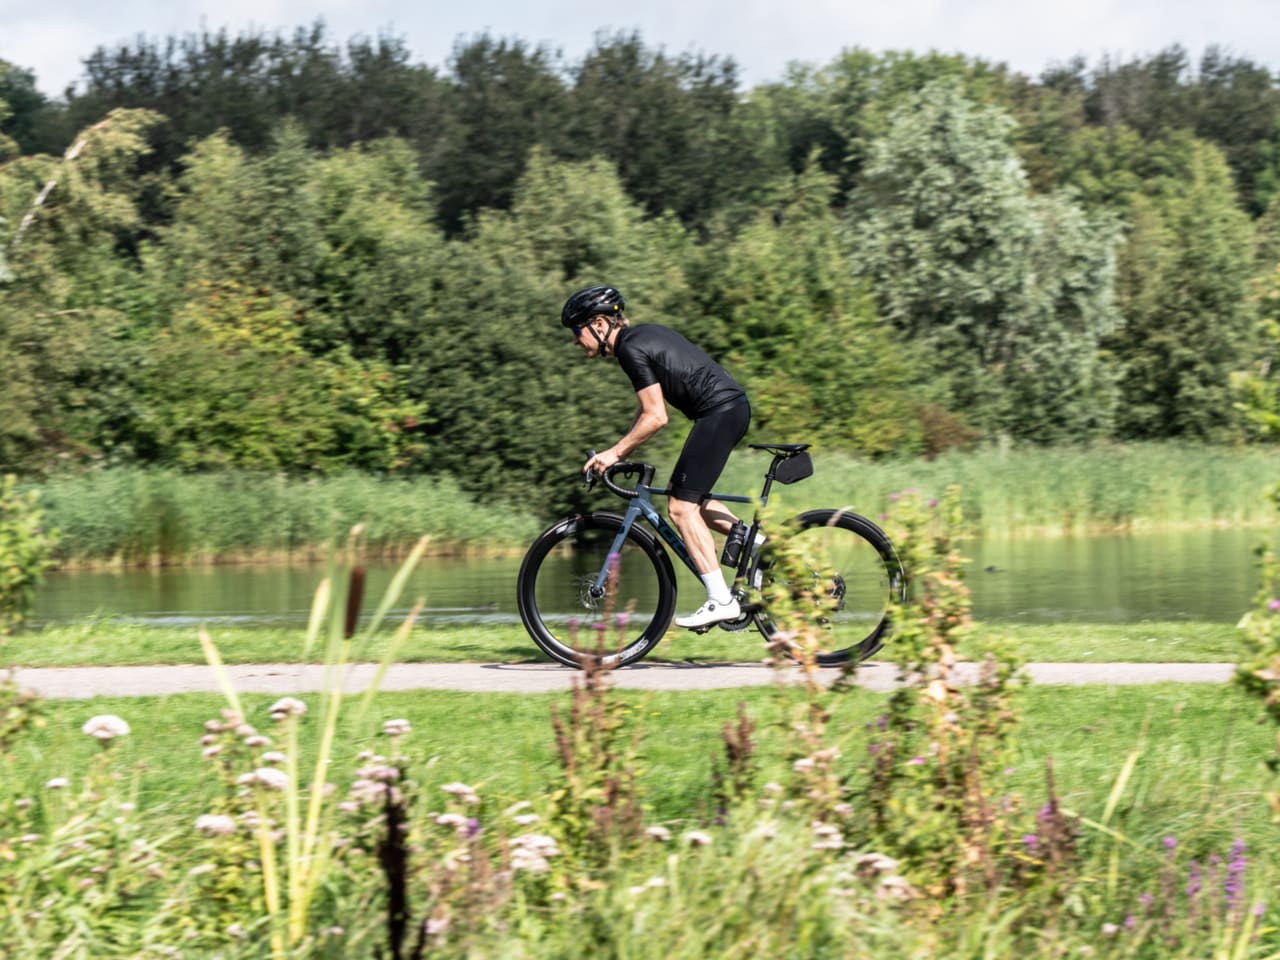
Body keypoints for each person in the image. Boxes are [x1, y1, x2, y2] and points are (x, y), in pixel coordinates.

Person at [561, 284, 751, 629]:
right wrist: (617, 451)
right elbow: (646, 411)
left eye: (578, 331)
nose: (575, 341)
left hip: (719, 413)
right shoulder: (642, 337)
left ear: (600, 325)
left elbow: (656, 416)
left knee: (680, 507)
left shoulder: (630, 350)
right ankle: (756, 544)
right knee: (693, 501)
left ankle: (721, 600)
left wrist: (615, 452)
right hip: (729, 409)